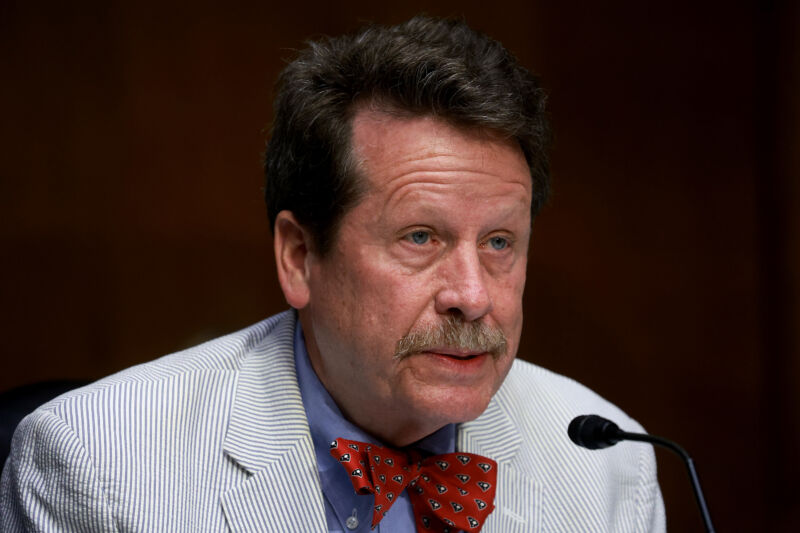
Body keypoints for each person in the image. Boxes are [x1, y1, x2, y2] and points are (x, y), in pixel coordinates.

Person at [1, 16, 665, 532]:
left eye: (499, 242)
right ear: (299, 256)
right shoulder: (99, 461)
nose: (472, 295)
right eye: (420, 236)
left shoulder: (606, 462)